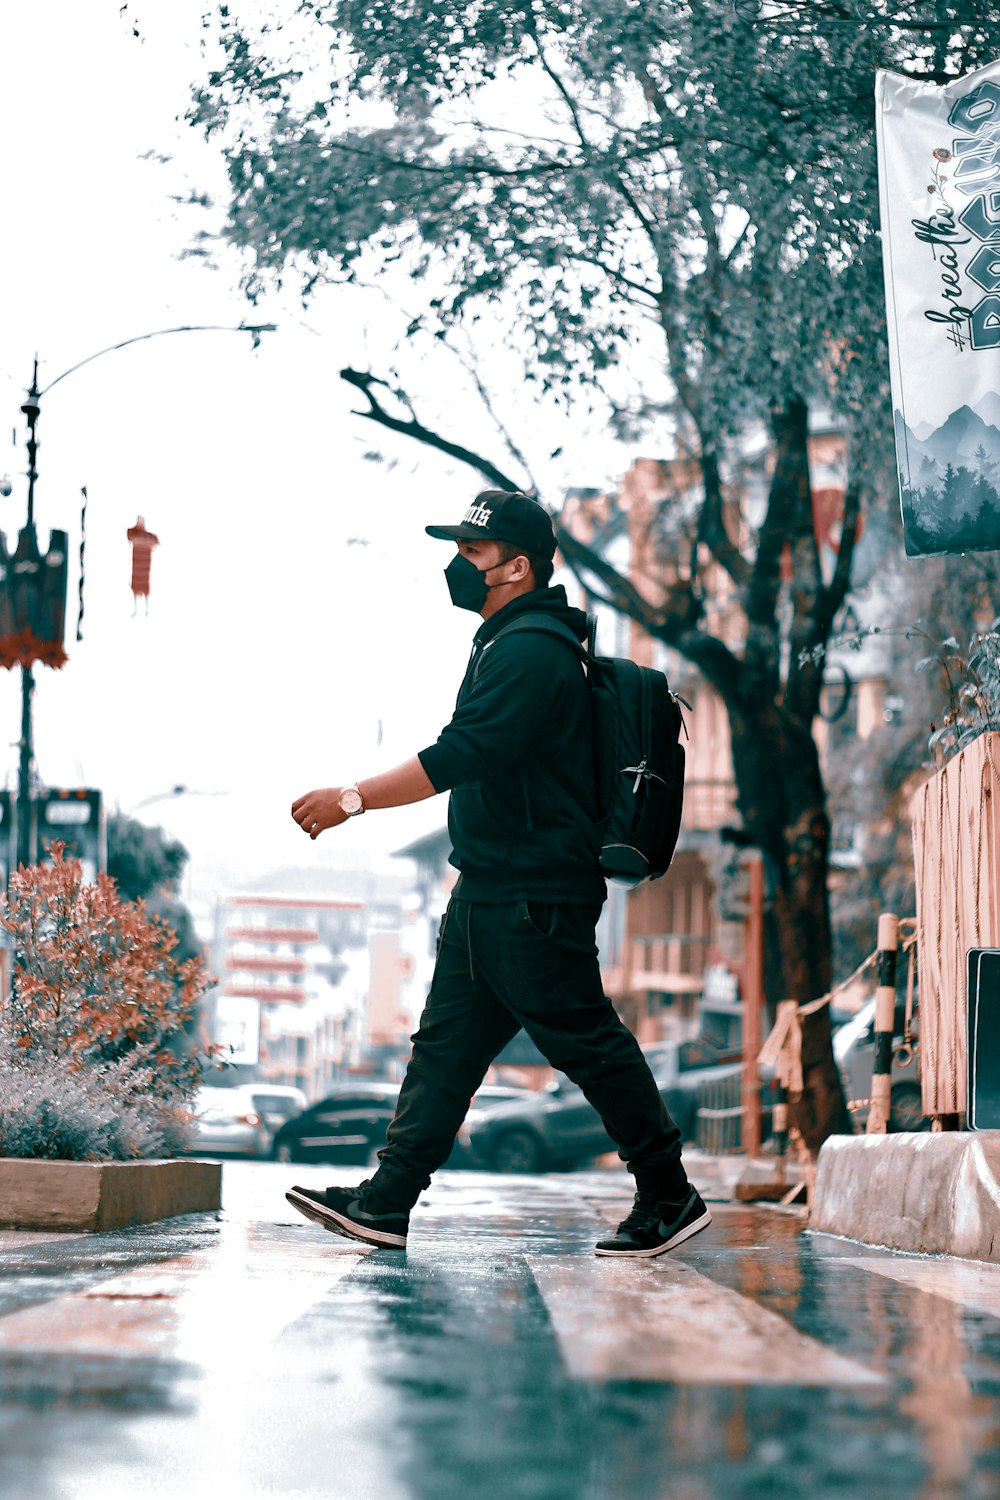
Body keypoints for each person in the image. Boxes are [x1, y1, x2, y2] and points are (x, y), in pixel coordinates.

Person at [286, 490, 710, 1258]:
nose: (458, 564)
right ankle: (387, 1201)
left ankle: (668, 1193)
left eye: (473, 553)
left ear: (516, 566)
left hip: (534, 895)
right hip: (488, 888)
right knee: (443, 1053)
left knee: (589, 1046)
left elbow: (461, 755)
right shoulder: (505, 639)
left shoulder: (531, 651)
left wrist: (352, 799)